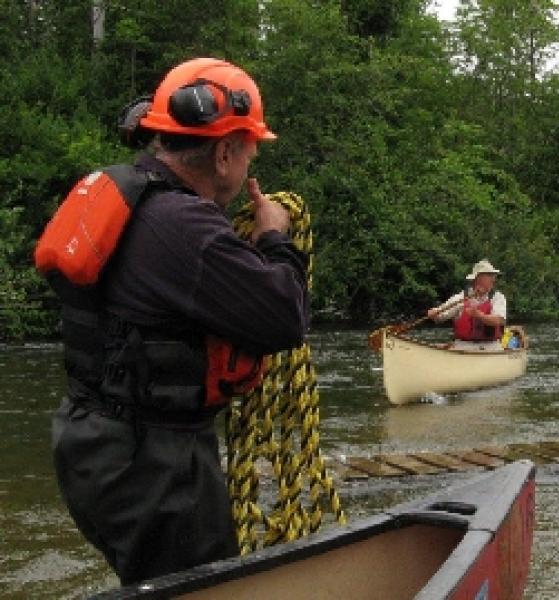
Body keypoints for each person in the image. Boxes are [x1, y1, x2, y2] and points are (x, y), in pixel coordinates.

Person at [45, 58, 309, 585]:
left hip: (94, 444)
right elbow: (285, 318)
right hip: (152, 464)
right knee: (204, 588)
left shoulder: (130, 195)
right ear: (225, 152)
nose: (252, 159)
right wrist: (276, 238)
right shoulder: (183, 225)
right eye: (251, 148)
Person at [427, 259, 507, 351]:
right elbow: (440, 316)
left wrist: (479, 315)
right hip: (463, 346)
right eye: (490, 275)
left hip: (491, 346)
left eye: (493, 276)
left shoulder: (498, 297)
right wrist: (433, 313)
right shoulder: (460, 298)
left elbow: (498, 320)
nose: (493, 279)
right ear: (478, 278)